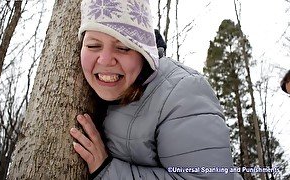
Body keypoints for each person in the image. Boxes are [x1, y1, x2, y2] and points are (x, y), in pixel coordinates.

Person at [70, 0, 243, 179]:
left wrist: (107, 170)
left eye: (123, 47)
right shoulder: (108, 88)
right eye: (93, 46)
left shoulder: (182, 93)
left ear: (145, 52)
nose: (105, 60)